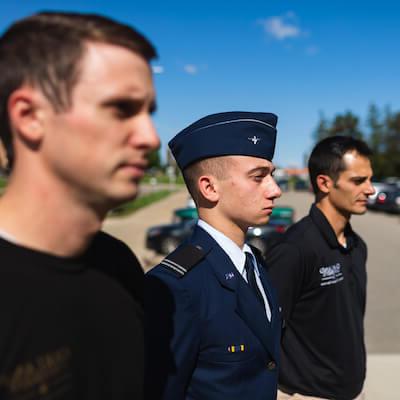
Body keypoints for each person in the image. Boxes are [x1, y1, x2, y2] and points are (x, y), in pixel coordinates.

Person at [0, 12, 159, 399]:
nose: (150, 138)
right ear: (30, 116)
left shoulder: (118, 263)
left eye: (148, 113)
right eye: (121, 109)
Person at [145, 111, 283, 400]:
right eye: (258, 177)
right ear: (209, 188)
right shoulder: (175, 287)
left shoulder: (255, 263)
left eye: (272, 175)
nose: (275, 190)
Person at [265, 136, 375, 400]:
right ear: (324, 183)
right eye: (358, 181)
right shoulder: (294, 249)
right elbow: (263, 335)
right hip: (306, 394)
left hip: (351, 392)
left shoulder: (357, 246)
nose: (370, 190)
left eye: (370, 179)